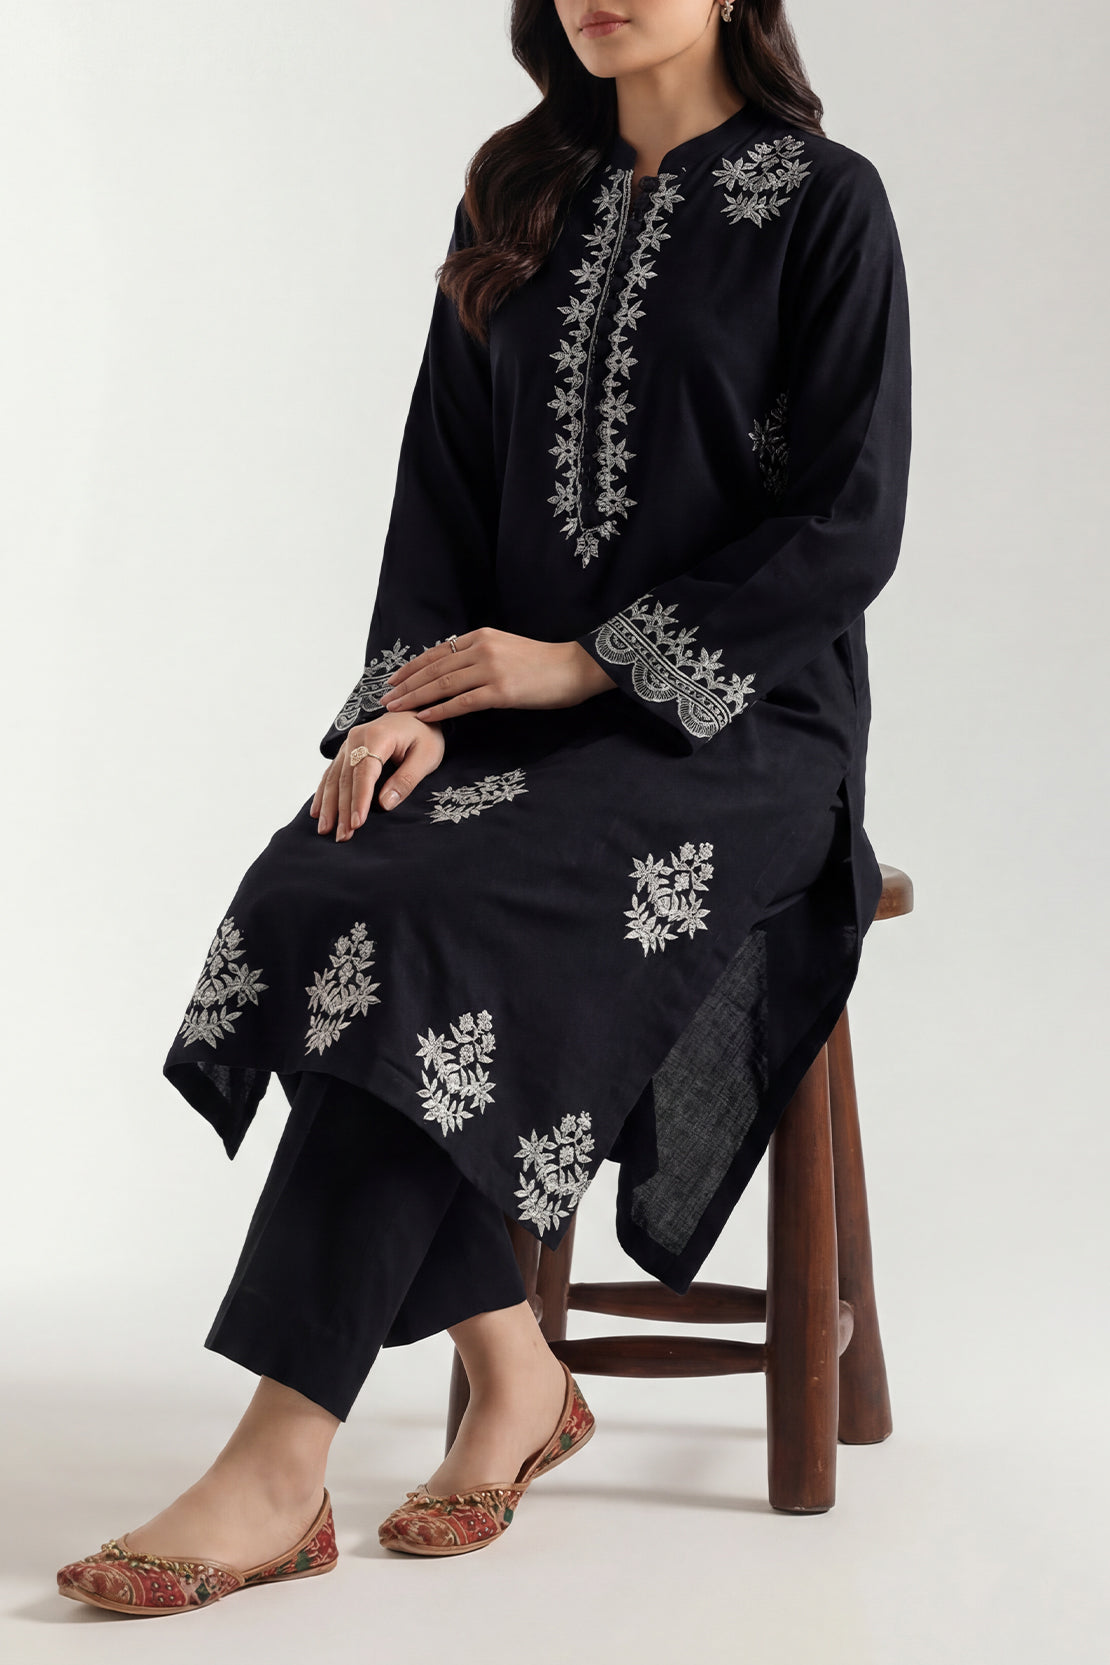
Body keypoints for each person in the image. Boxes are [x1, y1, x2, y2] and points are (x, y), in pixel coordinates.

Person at [56, 0, 911, 1614]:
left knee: (431, 918)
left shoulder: (822, 203)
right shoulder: (518, 189)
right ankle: (517, 1374)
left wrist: (590, 662)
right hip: (506, 711)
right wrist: (403, 704)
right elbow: (440, 491)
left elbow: (846, 525)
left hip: (736, 729)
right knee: (325, 878)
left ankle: (279, 1458)